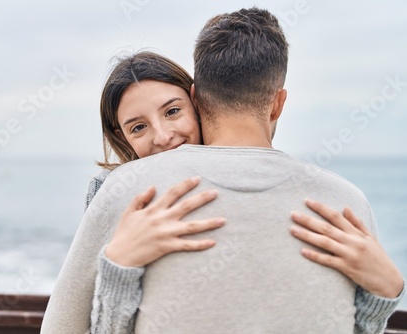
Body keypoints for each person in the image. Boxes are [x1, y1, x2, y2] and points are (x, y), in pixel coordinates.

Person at [41, 8, 404, 333]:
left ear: (196, 99)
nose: (165, 137)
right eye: (139, 127)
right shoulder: (346, 203)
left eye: (172, 111)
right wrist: (385, 296)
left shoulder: (125, 192)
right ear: (278, 103)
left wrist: (119, 268)